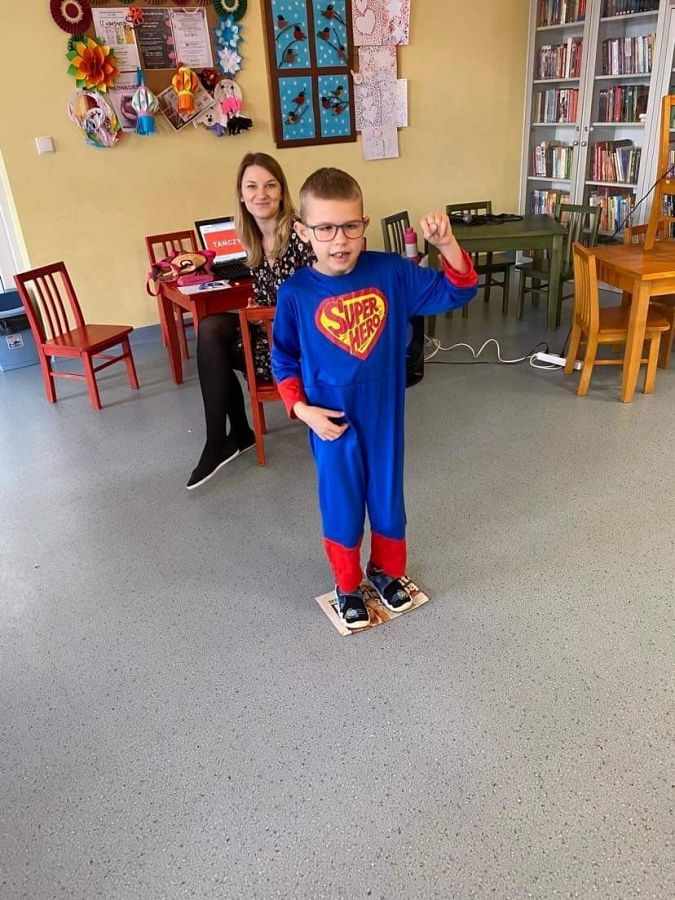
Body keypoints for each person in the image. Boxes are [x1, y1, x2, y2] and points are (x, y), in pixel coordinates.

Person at [271, 168, 478, 629]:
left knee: (387, 497)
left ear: (364, 224)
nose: (339, 240)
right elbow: (283, 359)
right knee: (342, 502)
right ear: (303, 232)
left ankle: (385, 570)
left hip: (383, 413)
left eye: (350, 226)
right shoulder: (296, 294)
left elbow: (458, 290)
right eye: (325, 228)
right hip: (330, 421)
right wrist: (302, 410)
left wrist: (447, 245)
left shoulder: (390, 272)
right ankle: (347, 585)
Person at [187, 153, 315, 489]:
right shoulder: (254, 238)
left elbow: (319, 298)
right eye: (252, 186)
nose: (261, 194)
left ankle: (228, 439)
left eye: (270, 185)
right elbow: (265, 291)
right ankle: (228, 436)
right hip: (271, 334)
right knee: (211, 331)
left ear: (281, 191)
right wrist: (257, 306)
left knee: (213, 338)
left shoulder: (300, 233)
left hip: (300, 350)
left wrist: (264, 314)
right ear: (241, 195)